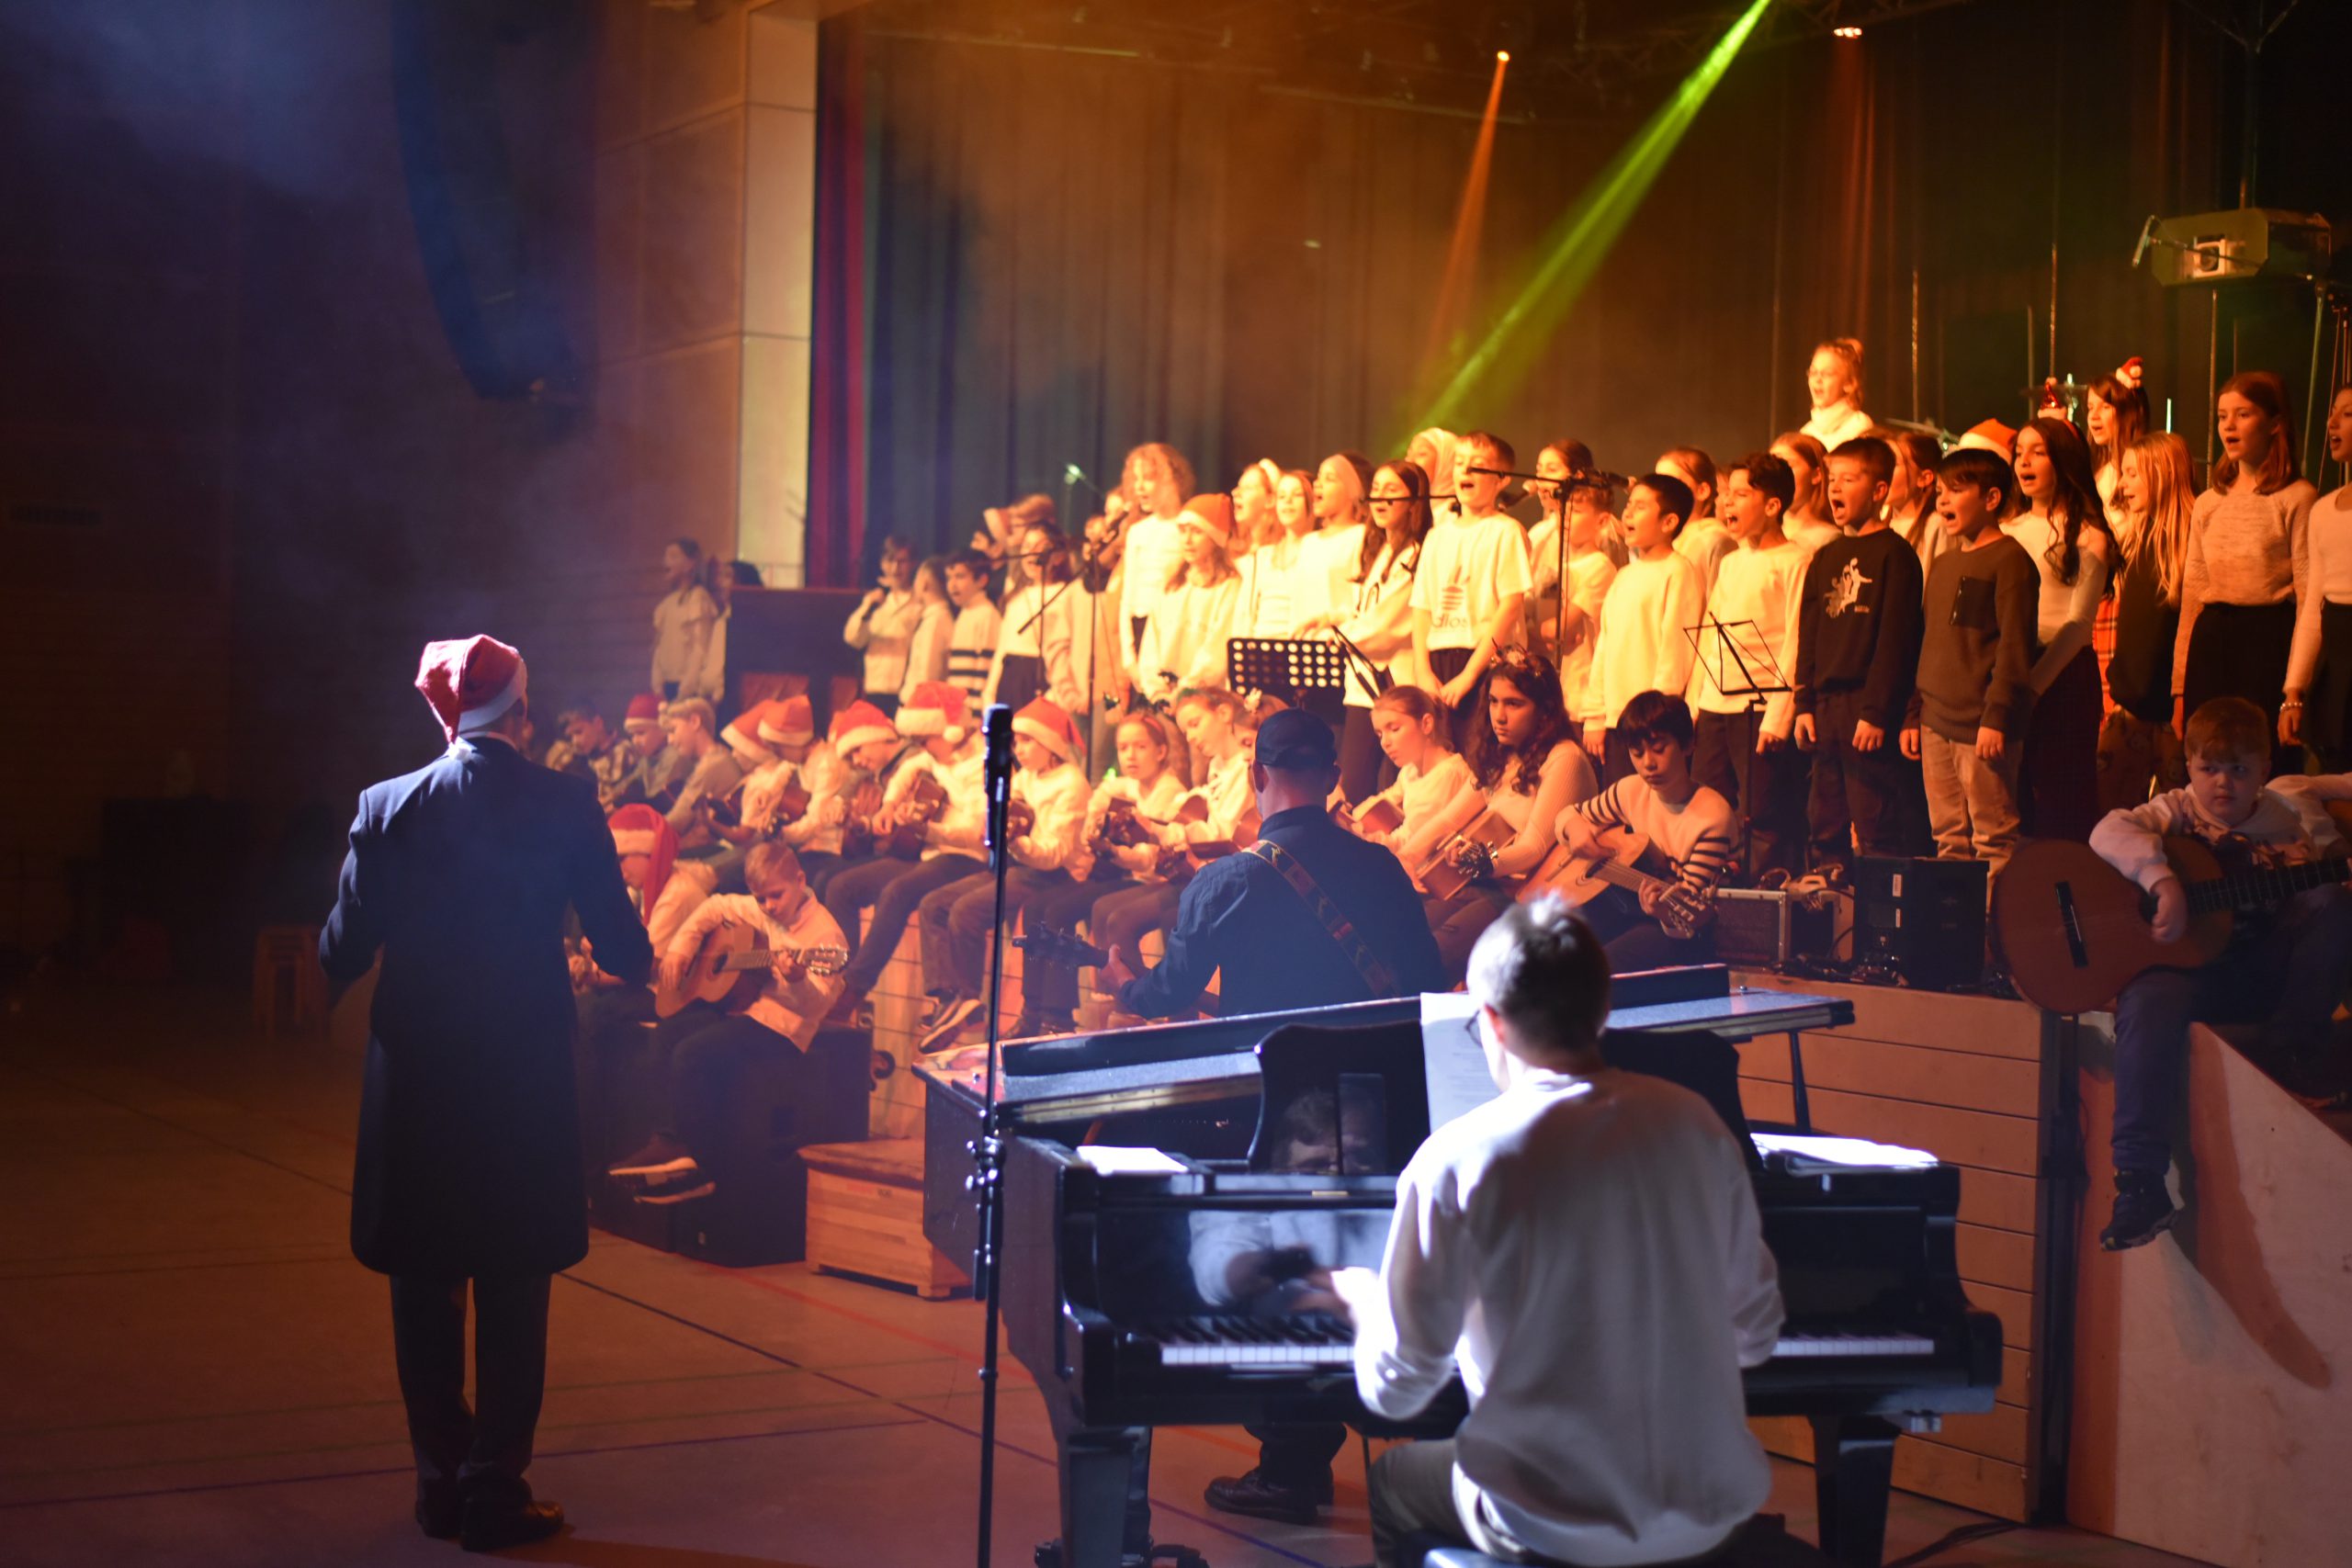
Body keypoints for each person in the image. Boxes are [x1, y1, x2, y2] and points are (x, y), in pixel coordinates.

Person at [320, 635, 651, 1552]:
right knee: (515, 1279)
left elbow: (340, 949)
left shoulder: (386, 805)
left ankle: (439, 1485)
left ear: (444, 715)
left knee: (424, 1283)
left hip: (420, 1075)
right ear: (525, 715)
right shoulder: (566, 800)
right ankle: (494, 1490)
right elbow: (623, 947)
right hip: (520, 1074)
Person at [1331, 897, 1781, 1568]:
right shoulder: (1698, 1126)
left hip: (1550, 1521)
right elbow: (1755, 1336)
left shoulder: (1456, 1156)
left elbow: (1398, 1390)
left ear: (1491, 1021)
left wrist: (1366, 1302)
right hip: (1711, 1514)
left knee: (1394, 1482)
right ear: (1603, 1011)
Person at [2089, 697, 2352, 1249]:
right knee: (2145, 999)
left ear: (2263, 770)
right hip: (2185, 972)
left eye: (2239, 769)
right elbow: (2107, 831)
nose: (2223, 783)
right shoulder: (2177, 811)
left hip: (2256, 976)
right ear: (2188, 766)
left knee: (2331, 901)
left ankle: (2293, 1052)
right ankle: (2139, 1182)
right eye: (2209, 768)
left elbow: (2310, 916)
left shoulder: (2285, 826)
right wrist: (2162, 882)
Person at [1102, 706, 1445, 1021]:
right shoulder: (1382, 866)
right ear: (1332, 779)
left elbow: (1169, 993)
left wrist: (1125, 986)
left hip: (1269, 1063)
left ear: (1257, 775)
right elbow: (1428, 979)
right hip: (1372, 1060)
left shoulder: (1222, 883)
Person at [610, 843, 850, 1205]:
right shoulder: (759, 908)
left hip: (782, 1025)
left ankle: (700, 1164)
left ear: (800, 881)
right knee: (667, 1033)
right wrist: (681, 947)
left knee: (693, 1052)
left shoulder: (825, 935)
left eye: (776, 896)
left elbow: (817, 1004)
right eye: (761, 898)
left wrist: (797, 979)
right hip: (745, 1006)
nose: (769, 906)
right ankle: (666, 1141)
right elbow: (716, 906)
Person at [913, 698, 1091, 1051]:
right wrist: (991, 826)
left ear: (1050, 745)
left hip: (1050, 874)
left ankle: (968, 999)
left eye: (1026, 741)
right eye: (1015, 742)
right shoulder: (1026, 777)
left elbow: (1054, 855)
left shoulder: (1071, 783)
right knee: (934, 904)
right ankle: (950, 997)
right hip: (1019, 865)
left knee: (967, 910)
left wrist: (1016, 841)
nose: (1017, 749)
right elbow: (1001, 821)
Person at [819, 682, 989, 1030]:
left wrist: (928, 830)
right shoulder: (932, 756)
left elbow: (975, 834)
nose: (921, 747)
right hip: (930, 851)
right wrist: (889, 805)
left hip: (965, 856)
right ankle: (837, 978)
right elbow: (908, 772)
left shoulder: (979, 766)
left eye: (925, 740)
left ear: (949, 732)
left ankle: (856, 987)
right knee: (841, 886)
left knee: (898, 892)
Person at [1904, 448, 2038, 880]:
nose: (1943, 500)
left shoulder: (2010, 560)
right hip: (1935, 722)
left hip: (1981, 726)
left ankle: (1995, 922)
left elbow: (2014, 649)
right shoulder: (1944, 563)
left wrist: (1996, 717)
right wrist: (1914, 713)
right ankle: (1954, 921)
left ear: (1991, 498)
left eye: (1956, 490)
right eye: (1940, 491)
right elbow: (1926, 642)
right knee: (1948, 837)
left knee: (1993, 838)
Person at [2177, 370, 2318, 775]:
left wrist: (2295, 690)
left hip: (2267, 640)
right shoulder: (2208, 502)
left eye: (2243, 414)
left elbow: (2309, 596)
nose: (2229, 426)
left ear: (2274, 423)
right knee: (2208, 762)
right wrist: (2179, 688)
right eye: (2223, 416)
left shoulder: (2297, 498)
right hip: (2211, 641)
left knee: (2262, 766)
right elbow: (2193, 594)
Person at [1797, 442, 1928, 872]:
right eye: (1832, 479)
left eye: (1848, 479)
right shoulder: (1825, 557)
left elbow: (1896, 641)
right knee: (1824, 820)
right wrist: (1804, 704)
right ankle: (1830, 904)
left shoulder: (1895, 555)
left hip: (1867, 706)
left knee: (1877, 823)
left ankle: (1882, 912)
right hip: (1826, 706)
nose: (1835, 488)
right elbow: (1809, 635)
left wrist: (1875, 713)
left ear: (1879, 490)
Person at [1017, 710, 1190, 1037]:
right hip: (1133, 876)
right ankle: (1039, 1010)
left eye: (1140, 747)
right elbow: (1105, 793)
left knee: (1092, 911)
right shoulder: (1128, 785)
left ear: (1161, 751)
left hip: (1161, 879)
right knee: (1047, 907)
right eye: (1123, 748)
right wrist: (1096, 818)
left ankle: (1123, 1006)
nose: (1130, 756)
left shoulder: (1170, 792)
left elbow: (1152, 860)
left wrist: (1114, 853)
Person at [1426, 650, 1597, 979]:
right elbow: (1448, 819)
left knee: (1435, 953)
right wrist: (1400, 858)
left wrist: (1479, 860)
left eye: (1514, 704)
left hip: (1533, 900)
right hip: (1494, 884)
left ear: (1545, 709)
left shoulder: (1565, 758)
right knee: (1410, 931)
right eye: (1493, 702)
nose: (1499, 716)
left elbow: (1534, 848)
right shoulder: (1500, 754)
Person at [1555, 689, 1737, 970]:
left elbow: (1692, 911)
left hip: (1683, 936)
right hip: (1628, 911)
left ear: (1688, 745)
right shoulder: (1631, 790)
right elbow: (1567, 815)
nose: (1648, 764)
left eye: (1659, 749)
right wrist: (1574, 829)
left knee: (1592, 969)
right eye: (1637, 753)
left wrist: (1663, 911)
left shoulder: (1712, 817)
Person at [1691, 451, 1809, 879]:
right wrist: (1695, 701)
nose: (1727, 503)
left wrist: (1779, 716)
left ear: (1773, 505)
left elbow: (1796, 642)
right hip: (1716, 705)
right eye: (1727, 494)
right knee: (1708, 806)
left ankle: (1764, 902)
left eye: (1741, 495)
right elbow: (1711, 632)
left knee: (1762, 815)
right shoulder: (1732, 561)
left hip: (1759, 708)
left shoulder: (1796, 561)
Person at [2005, 414, 2114, 841]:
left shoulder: (2089, 536)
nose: (2024, 462)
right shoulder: (2005, 531)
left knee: (2062, 804)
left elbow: (2078, 625)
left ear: (2063, 461)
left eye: (2038, 452)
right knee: (2013, 803)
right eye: (2019, 453)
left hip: (2063, 676)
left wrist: (2033, 687)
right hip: (2012, 669)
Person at [1299, 459, 1431, 803]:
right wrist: (1331, 618)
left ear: (1413, 501)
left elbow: (1386, 624)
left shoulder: (1417, 555)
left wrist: (1337, 636)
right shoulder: (1381, 550)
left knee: (1387, 788)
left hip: (1394, 685)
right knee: (1355, 787)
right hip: (1363, 686)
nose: (1381, 498)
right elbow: (1367, 609)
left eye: (1392, 491)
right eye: (1376, 490)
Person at [1577, 473, 1703, 783]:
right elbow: (1605, 647)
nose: (1628, 513)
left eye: (1641, 507)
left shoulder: (1678, 572)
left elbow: (1675, 652)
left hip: (1650, 723)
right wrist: (1595, 713)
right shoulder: (1624, 576)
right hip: (1615, 719)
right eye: (1629, 505)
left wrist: (1657, 717)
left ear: (1669, 522)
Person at [2098, 433, 2194, 809]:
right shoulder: (2137, 537)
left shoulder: (2191, 538)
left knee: (2177, 814)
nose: (2122, 484)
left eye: (2132, 474)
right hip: (2129, 705)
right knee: (2110, 806)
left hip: (2173, 713)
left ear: (2162, 474)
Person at [1413, 432, 1532, 727]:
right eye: (1459, 462)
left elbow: (1510, 605)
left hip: (1487, 659)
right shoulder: (1437, 535)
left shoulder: (1505, 531)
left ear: (1501, 480)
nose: (1465, 470)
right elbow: (1422, 608)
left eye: (1477, 465)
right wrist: (1423, 671)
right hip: (1439, 660)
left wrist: (1469, 675)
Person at [2284, 385, 2352, 771]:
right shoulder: (2324, 510)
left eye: (2348, 413)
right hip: (2336, 656)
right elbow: (2313, 603)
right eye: (2333, 412)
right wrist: (2294, 691)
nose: (2332, 422)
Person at [1135, 497, 1244, 706]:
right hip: (1162, 698)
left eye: (1196, 532)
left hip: (1204, 701)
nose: (1187, 540)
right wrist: (1157, 691)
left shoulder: (1228, 586)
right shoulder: (1173, 583)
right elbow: (1151, 642)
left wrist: (1184, 691)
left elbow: (1216, 651)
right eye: (1183, 531)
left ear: (1215, 537)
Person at [986, 521, 1087, 719]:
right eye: (1026, 546)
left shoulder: (1066, 593)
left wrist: (1059, 689)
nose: (1031, 554)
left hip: (1039, 675)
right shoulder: (1016, 596)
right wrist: (990, 691)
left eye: (1039, 547)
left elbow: (1064, 648)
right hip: (1010, 676)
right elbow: (1003, 648)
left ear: (1058, 556)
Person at [842, 535, 922, 716]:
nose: (895, 568)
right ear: (882, 564)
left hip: (905, 688)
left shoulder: (919, 602)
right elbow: (853, 639)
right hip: (875, 686)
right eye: (890, 561)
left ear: (913, 564)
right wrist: (867, 607)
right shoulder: (875, 602)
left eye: (902, 561)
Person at [658, 697, 740, 851]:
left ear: (694, 722)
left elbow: (678, 820)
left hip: (722, 847)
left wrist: (642, 830)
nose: (670, 740)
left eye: (673, 730)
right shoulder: (717, 757)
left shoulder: (713, 765)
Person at [1660, 446, 1736, 602]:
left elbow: (1718, 605)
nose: (1662, 491)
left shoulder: (1715, 540)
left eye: (1673, 483)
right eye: (1659, 483)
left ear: (1702, 491)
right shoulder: (1668, 538)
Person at [651, 537, 720, 701]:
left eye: (673, 557)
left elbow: (700, 648)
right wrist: (657, 683)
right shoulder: (668, 604)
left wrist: (686, 689)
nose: (666, 561)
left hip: (687, 687)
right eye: (666, 557)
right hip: (667, 686)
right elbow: (659, 646)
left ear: (690, 564)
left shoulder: (698, 599)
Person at [944, 548, 1003, 704]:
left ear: (982, 580)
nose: (952, 585)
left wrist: (976, 712)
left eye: (960, 577)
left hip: (972, 709)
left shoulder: (987, 615)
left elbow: (985, 669)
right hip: (957, 707)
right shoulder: (964, 613)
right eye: (949, 578)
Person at [1801, 335, 1873, 452]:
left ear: (1849, 383)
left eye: (1827, 374)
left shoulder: (1859, 426)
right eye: (1813, 372)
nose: (1817, 379)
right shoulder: (1807, 432)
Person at [1772, 431, 1840, 554]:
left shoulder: (1828, 539)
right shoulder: (1757, 535)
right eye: (1771, 467)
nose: (1777, 474)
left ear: (1816, 475)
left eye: (1787, 466)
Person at [899, 555, 955, 705]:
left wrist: (916, 704)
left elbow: (928, 673)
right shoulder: (935, 618)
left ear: (924, 583)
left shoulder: (936, 621)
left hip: (920, 706)